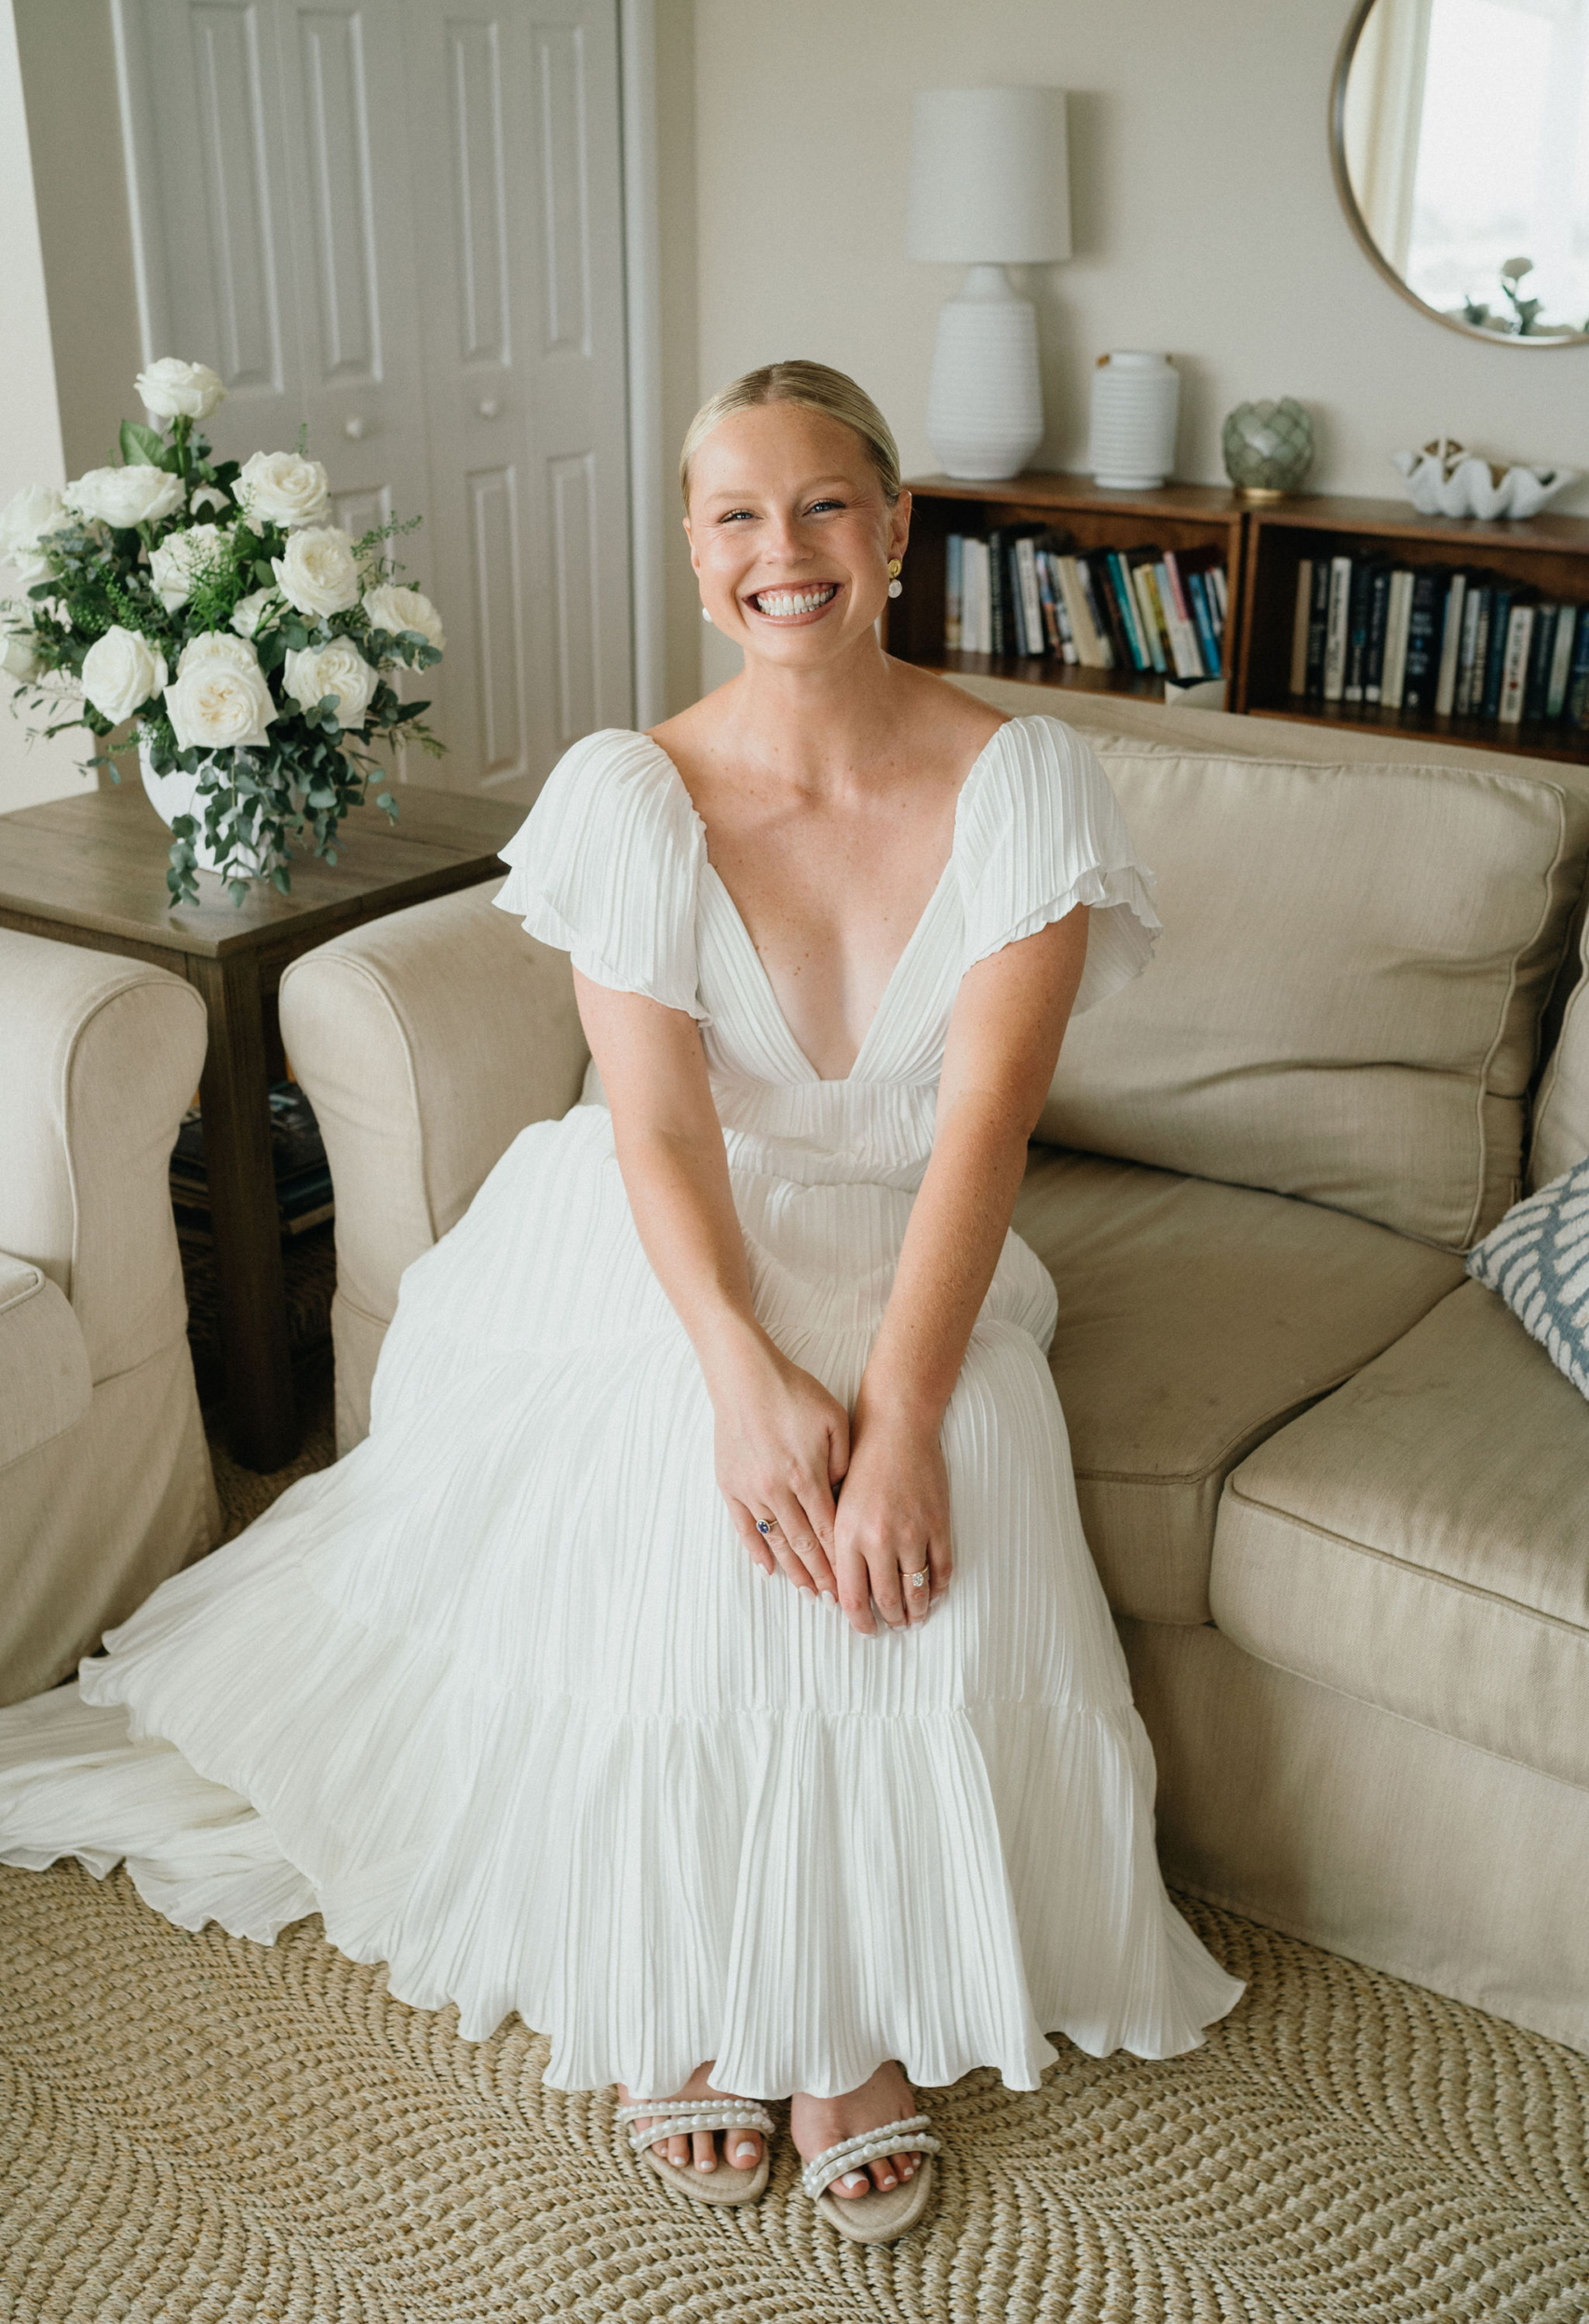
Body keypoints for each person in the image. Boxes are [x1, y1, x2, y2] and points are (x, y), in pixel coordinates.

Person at [0, 360, 1240, 2247]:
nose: (782, 550)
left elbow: (984, 1125)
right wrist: (741, 1374)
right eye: (735, 513)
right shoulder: (628, 791)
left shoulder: (1025, 784)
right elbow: (653, 1124)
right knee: (701, 1483)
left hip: (916, 1245)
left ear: (894, 528)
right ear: (689, 548)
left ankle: (832, 2018)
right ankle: (686, 1970)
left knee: (953, 1482)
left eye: (823, 505)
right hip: (662, 1238)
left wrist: (895, 1414)